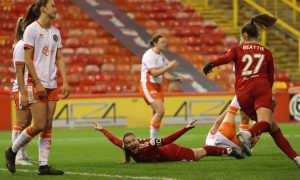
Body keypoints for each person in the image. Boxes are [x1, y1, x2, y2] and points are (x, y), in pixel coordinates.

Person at [203, 14, 300, 167]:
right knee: (266, 123)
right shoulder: (266, 52)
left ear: (245, 35)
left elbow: (225, 58)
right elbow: (270, 78)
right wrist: (271, 94)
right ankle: (247, 134)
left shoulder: (237, 49)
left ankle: (296, 158)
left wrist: (211, 64)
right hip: (261, 88)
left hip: (243, 92)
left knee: (272, 127)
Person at [5, 0, 70, 175]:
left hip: (52, 84)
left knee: (48, 125)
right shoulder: (32, 29)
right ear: (43, 9)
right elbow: (27, 59)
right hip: (35, 83)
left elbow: (60, 58)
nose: (56, 9)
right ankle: (12, 151)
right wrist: (37, 82)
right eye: (53, 6)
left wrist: (65, 81)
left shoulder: (56, 32)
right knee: (39, 124)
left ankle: (43, 165)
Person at [92, 120, 244, 163]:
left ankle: (230, 150)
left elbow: (167, 140)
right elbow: (114, 140)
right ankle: (230, 150)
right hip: (166, 155)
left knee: (200, 153)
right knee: (200, 152)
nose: (131, 144)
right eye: (128, 143)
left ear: (137, 139)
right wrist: (102, 129)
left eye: (133, 141)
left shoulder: (148, 144)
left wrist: (185, 128)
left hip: (173, 153)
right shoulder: (126, 146)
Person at [140, 34, 183, 139]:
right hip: (148, 85)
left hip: (158, 86)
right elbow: (154, 73)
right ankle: (153, 140)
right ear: (155, 43)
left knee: (156, 112)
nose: (165, 44)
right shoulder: (149, 55)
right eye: (162, 42)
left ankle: (153, 140)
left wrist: (174, 78)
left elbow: (163, 74)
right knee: (160, 111)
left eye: (165, 42)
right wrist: (169, 66)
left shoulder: (161, 56)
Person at [11, 15, 37, 166]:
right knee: (21, 122)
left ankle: (23, 154)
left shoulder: (26, 45)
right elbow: (19, 72)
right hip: (22, 88)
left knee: (28, 124)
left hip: (28, 88)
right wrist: (22, 93)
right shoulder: (21, 46)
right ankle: (17, 156)